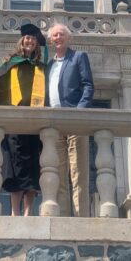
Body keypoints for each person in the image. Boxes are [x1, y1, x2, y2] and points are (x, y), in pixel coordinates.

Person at [0, 23, 47, 216]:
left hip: (34, 122)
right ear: (21, 41)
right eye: (27, 38)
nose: (30, 41)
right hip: (14, 122)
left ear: (36, 45)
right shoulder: (11, 64)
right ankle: (15, 211)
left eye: (33, 39)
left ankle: (27, 211)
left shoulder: (41, 68)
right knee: (14, 167)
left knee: (33, 167)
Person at [46, 23, 94, 217]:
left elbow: (88, 85)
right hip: (55, 123)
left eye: (62, 34)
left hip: (74, 119)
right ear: (51, 40)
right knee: (57, 174)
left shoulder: (78, 57)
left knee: (78, 173)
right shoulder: (49, 64)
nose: (58, 37)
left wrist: (80, 111)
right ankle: (63, 218)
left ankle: (81, 217)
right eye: (55, 35)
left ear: (68, 38)